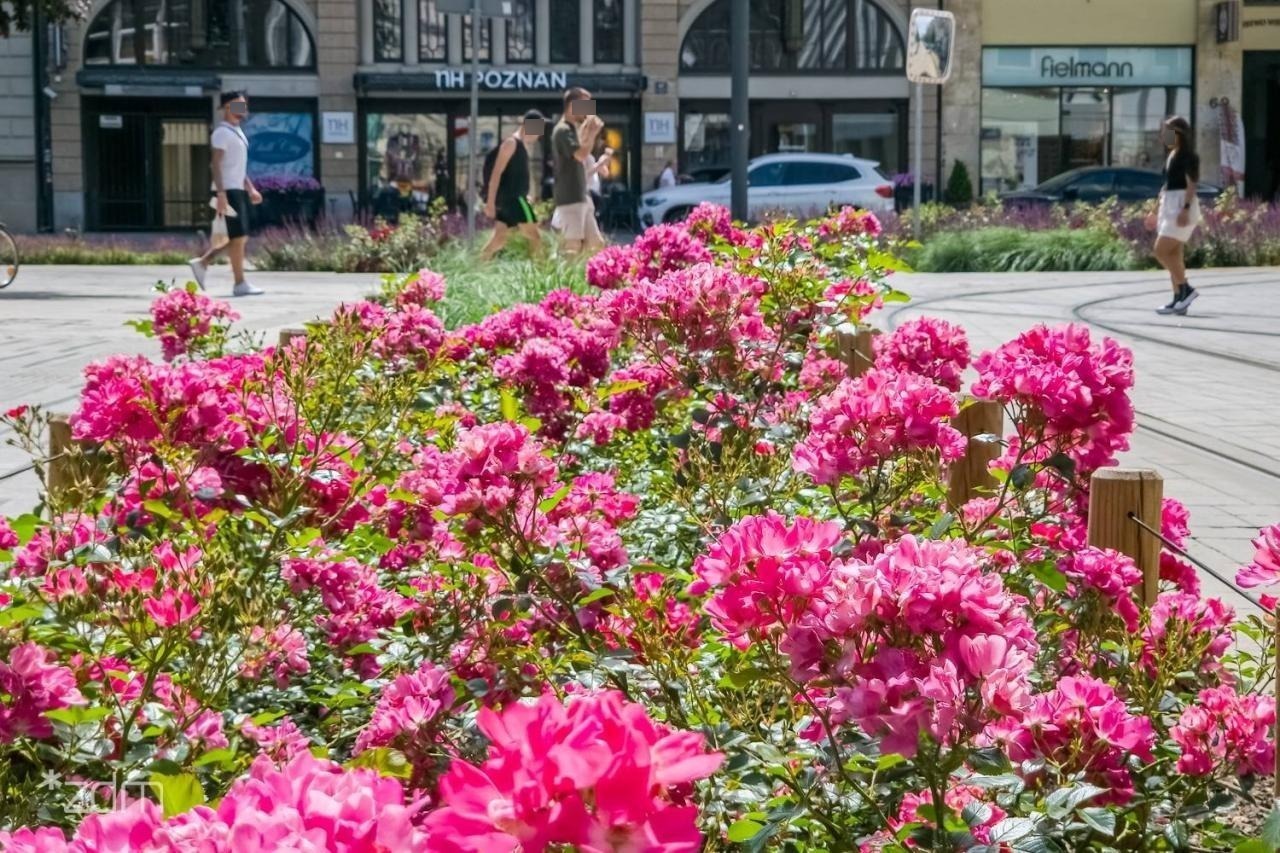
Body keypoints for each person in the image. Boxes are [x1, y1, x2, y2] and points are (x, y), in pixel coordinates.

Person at [188, 91, 264, 297]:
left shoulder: (238, 133)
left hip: (237, 189)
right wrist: (221, 193)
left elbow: (238, 167)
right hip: (227, 190)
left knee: (240, 236)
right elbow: (216, 164)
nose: (243, 109)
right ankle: (238, 283)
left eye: (244, 105)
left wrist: (251, 188)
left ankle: (203, 263)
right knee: (239, 236)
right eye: (238, 105)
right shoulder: (221, 133)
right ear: (226, 107)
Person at [1149, 116, 1201, 315]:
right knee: (1174, 254)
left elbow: (1191, 185)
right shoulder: (1172, 155)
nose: (1164, 136)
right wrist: (1154, 210)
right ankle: (1179, 299)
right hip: (1169, 205)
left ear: (1178, 133)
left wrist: (1185, 209)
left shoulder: (1188, 156)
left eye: (1168, 131)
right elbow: (1166, 186)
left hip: (1181, 206)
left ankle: (1186, 289)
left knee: (1161, 251)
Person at [480, 110, 545, 261]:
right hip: (514, 200)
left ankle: (476, 267)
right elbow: (496, 174)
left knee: (499, 239)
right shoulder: (511, 143)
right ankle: (543, 274)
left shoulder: (521, 146)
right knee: (535, 238)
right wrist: (490, 203)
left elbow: (515, 177)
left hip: (512, 199)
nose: (539, 135)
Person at [551, 87, 605, 256]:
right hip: (570, 196)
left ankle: (585, 277)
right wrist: (594, 132)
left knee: (596, 244)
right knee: (572, 247)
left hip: (581, 195)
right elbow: (581, 154)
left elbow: (582, 148)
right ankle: (564, 280)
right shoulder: (562, 131)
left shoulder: (572, 128)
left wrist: (589, 130)